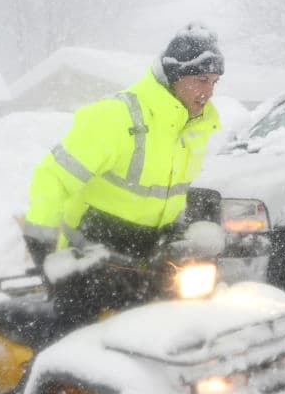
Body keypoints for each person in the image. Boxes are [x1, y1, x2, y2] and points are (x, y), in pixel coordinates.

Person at [22, 23, 224, 328]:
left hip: (148, 263)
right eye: (200, 80)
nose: (208, 92)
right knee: (75, 355)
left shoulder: (192, 127)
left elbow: (166, 193)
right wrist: (45, 255)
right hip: (91, 260)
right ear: (174, 76)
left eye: (214, 82)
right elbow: (51, 179)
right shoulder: (117, 117)